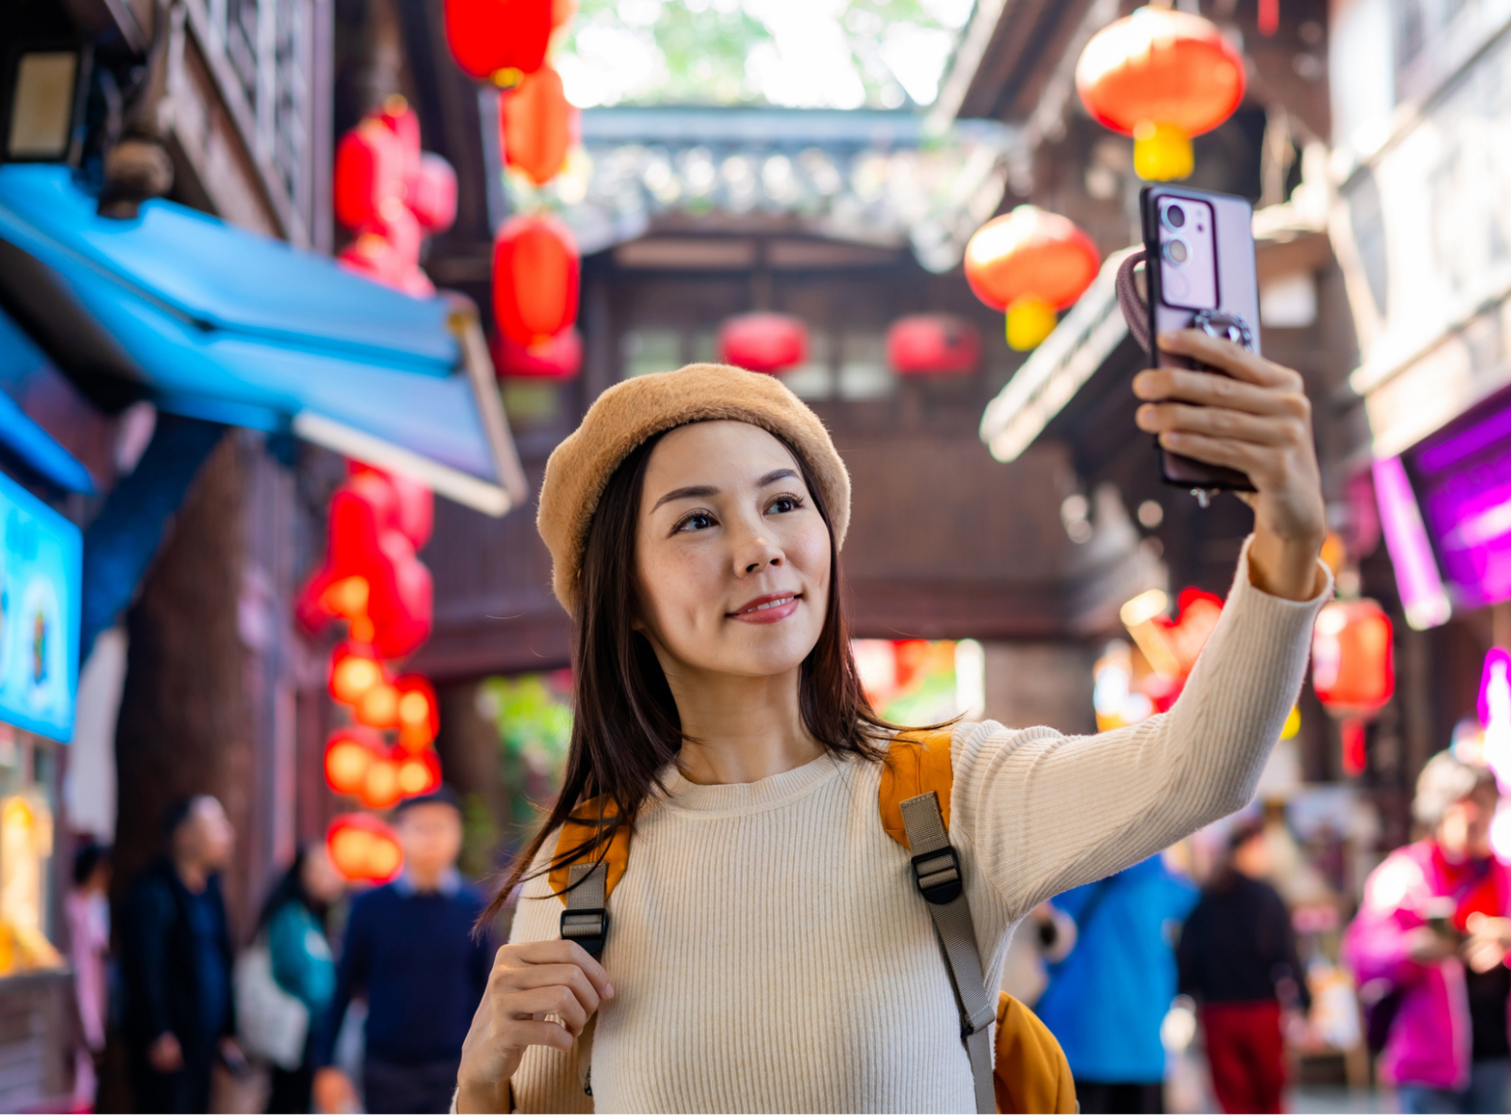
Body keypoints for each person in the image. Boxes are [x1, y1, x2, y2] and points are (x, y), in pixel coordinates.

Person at [452, 336, 1328, 1113]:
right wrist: (480, 1084)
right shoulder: (585, 875)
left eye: (783, 503)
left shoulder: (945, 796)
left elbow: (1196, 768)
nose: (759, 546)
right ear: (627, 598)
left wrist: (1288, 536)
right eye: (696, 520)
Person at [1345, 752, 1511, 1114]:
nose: (1476, 816)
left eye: (1486, 804)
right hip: (1426, 1067)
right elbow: (1361, 956)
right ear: (1438, 811)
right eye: (1465, 805)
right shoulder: (1404, 877)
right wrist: (1411, 950)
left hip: (1503, 1062)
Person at [316, 788, 497, 1114]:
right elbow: (342, 987)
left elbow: (488, 990)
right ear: (398, 833)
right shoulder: (368, 907)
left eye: (441, 827)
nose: (430, 838)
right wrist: (325, 1064)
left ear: (458, 834)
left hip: (458, 1068)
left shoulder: (476, 908)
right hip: (386, 1069)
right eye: (419, 827)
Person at [1038, 853, 1198, 1114]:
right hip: (1142, 1039)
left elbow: (1049, 943)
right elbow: (1192, 903)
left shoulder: (1069, 878)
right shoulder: (1158, 878)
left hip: (1077, 1038)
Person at [120, 795, 242, 1114]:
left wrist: (228, 1029)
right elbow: (144, 968)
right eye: (217, 826)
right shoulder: (153, 893)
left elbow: (222, 959)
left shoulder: (211, 892)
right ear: (185, 835)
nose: (227, 834)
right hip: (170, 1042)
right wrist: (157, 1030)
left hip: (204, 1038)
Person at [1176, 826, 1308, 1114]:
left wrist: (1188, 995)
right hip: (1260, 1011)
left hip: (1217, 1013)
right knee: (1269, 1098)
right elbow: (1286, 953)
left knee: (1233, 1102)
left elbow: (1186, 958)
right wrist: (1306, 1001)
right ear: (1249, 847)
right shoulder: (1265, 897)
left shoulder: (1205, 900)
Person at [253, 841, 344, 1113]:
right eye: (319, 870)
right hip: (297, 1028)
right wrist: (325, 1002)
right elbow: (290, 969)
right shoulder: (291, 916)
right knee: (289, 1099)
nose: (328, 876)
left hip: (308, 1028)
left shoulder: (312, 917)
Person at [65, 839, 111, 1111]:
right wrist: (90, 1030)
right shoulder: (75, 911)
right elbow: (81, 975)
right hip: (82, 1018)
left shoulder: (90, 908)